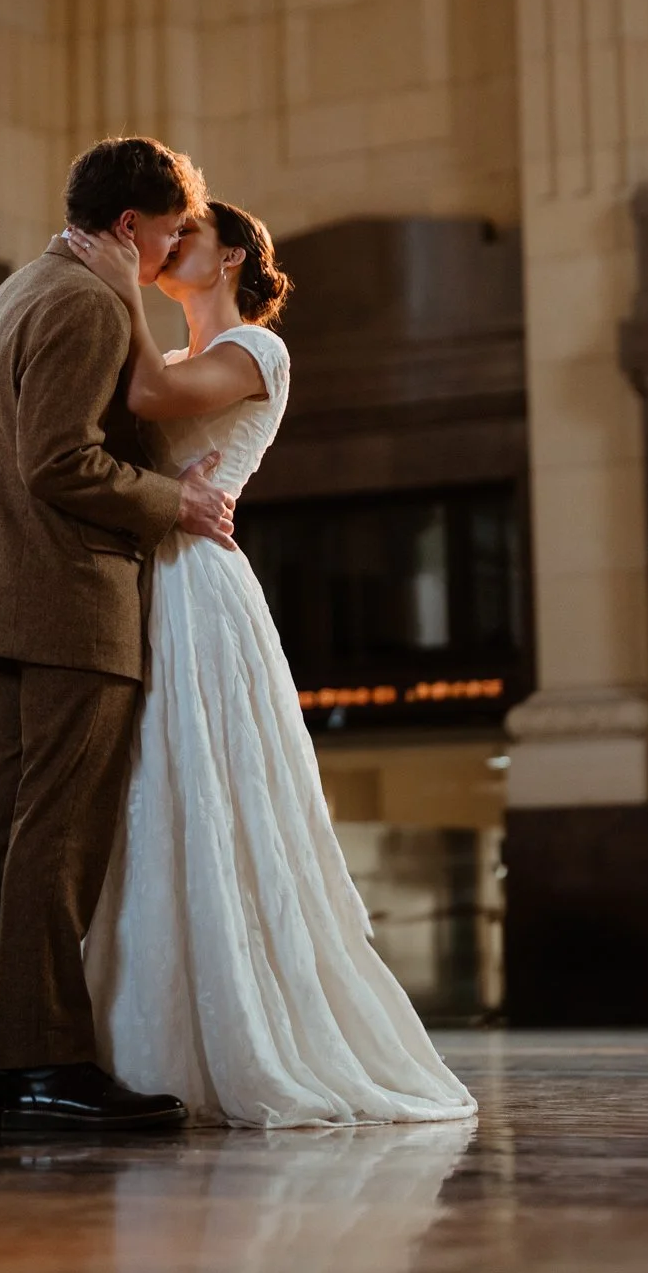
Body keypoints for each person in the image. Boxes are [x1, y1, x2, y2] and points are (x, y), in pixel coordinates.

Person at [67, 201, 476, 1128]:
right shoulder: (170, 352)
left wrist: (114, 279)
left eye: (186, 238)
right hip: (143, 575)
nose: (167, 249)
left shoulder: (257, 349)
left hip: (197, 586)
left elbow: (148, 404)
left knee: (211, 790)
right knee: (153, 795)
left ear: (232, 258)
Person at [0, 135, 236, 1135]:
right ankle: (48, 1059)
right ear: (131, 222)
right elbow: (61, 460)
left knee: (5, 835)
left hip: (4, 586)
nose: (172, 250)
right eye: (170, 231)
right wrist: (171, 503)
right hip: (66, 594)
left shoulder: (15, 291)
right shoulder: (88, 301)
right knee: (55, 836)